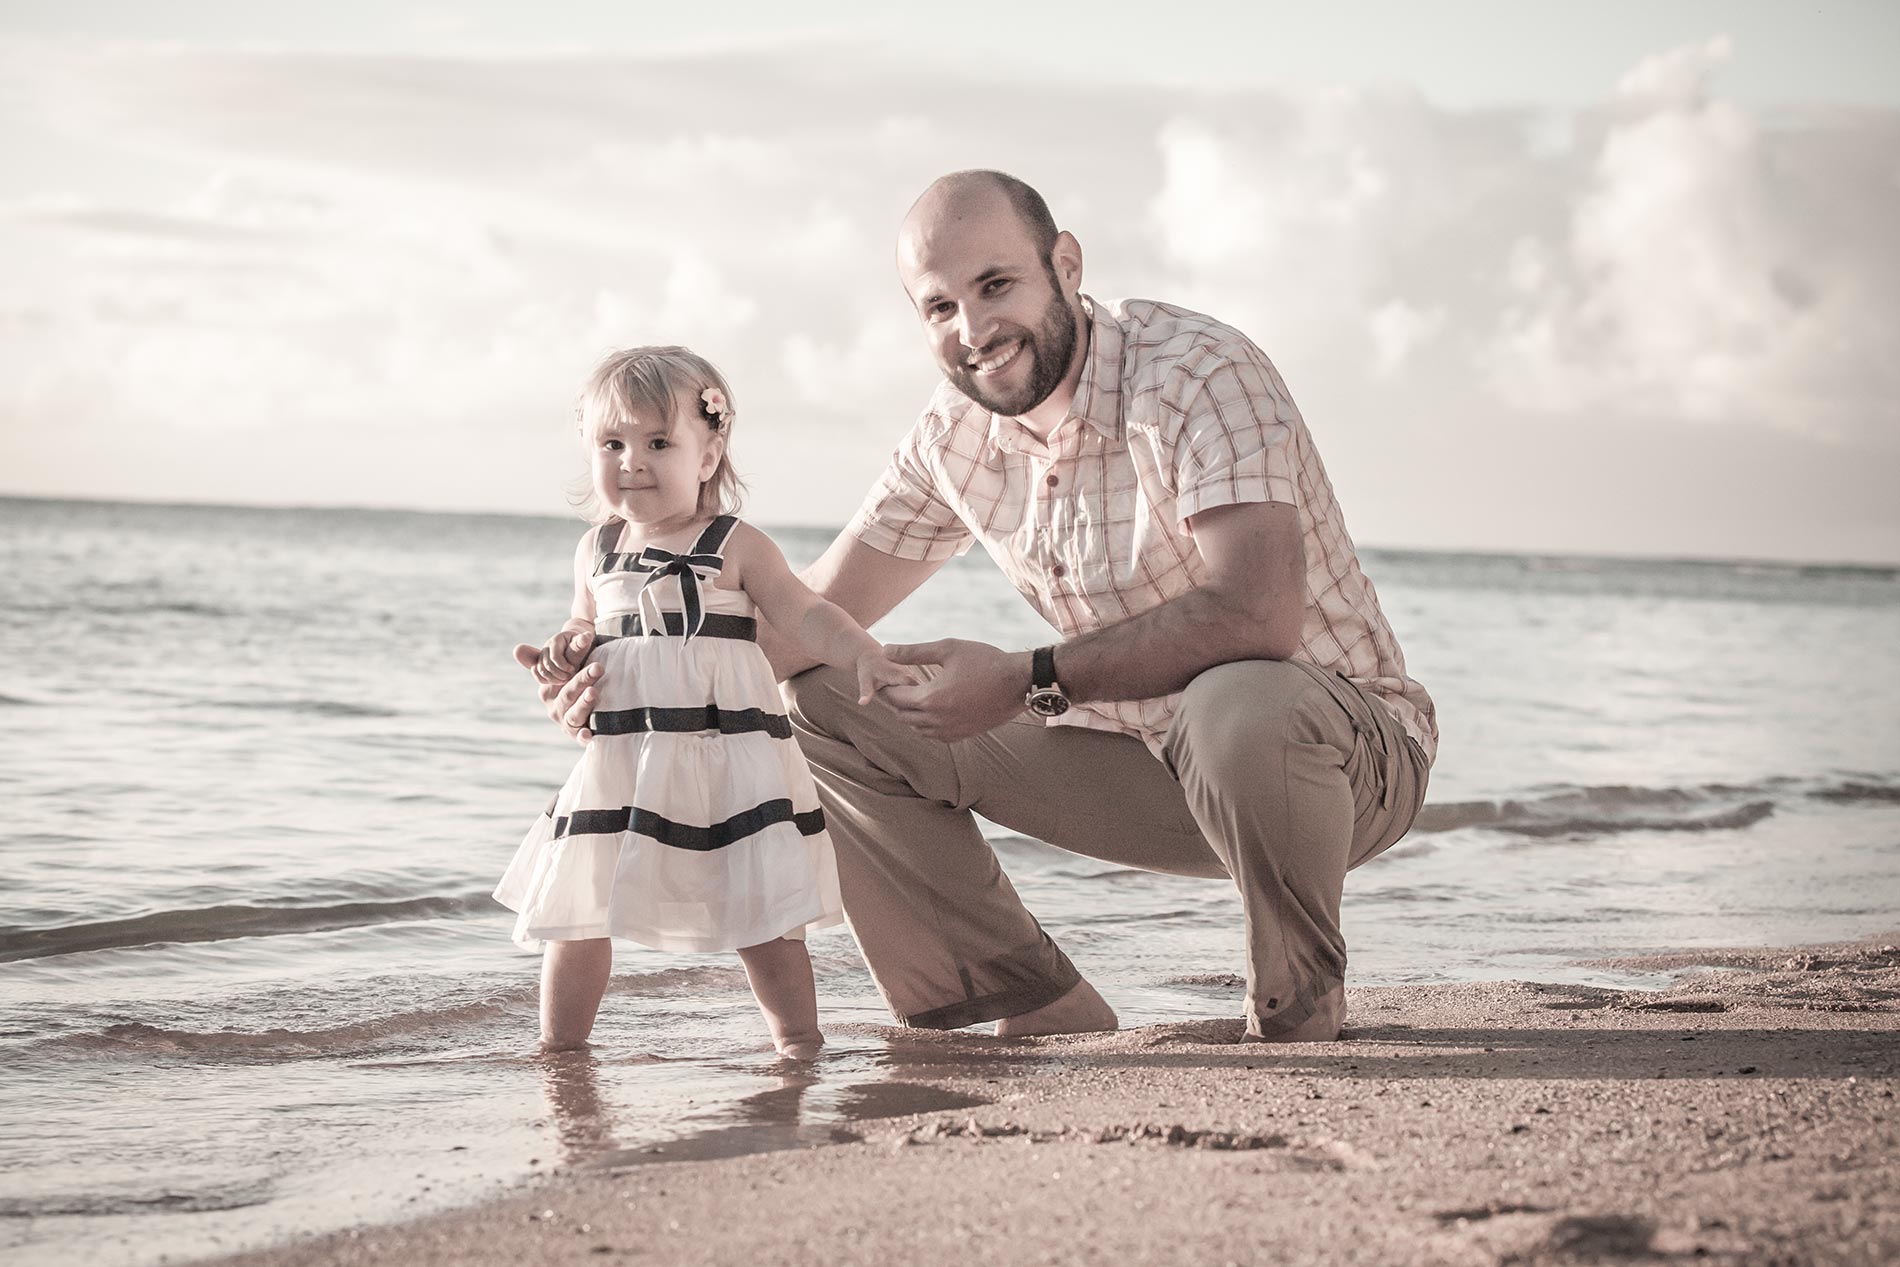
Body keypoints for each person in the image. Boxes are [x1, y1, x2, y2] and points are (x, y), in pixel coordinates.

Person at [533, 172, 1438, 1043]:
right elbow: (795, 618)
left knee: (1238, 695)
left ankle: (1296, 994)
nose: (972, 327)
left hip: (1329, 765)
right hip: (1143, 770)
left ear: (1067, 266)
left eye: (995, 284)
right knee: (827, 698)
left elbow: (1255, 616)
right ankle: (1024, 995)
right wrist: (618, 674)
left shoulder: (1198, 372)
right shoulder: (954, 435)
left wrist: (1023, 679)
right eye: (938, 306)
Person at [497, 345, 909, 1059]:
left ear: (709, 454)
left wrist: (864, 653)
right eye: (612, 443)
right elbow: (584, 621)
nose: (632, 460)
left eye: (659, 442)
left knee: (761, 909)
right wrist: (565, 646)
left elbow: (804, 613)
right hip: (626, 754)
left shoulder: (735, 544)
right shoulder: (596, 549)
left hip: (726, 753)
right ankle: (559, 1048)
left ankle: (799, 1041)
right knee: (577, 900)